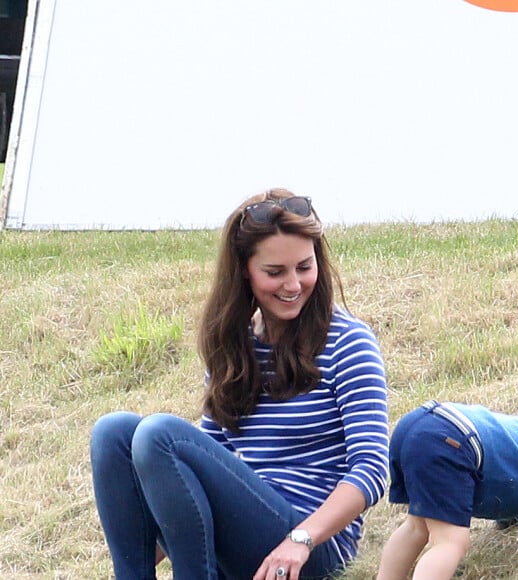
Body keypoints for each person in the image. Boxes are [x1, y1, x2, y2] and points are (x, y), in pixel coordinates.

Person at [90, 188, 390, 580]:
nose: (293, 284)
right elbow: (208, 459)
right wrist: (149, 534)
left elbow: (371, 471)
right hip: (243, 527)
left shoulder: (349, 342)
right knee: (114, 432)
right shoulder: (235, 344)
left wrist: (300, 540)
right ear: (244, 271)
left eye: (304, 266)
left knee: (159, 434)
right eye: (274, 272)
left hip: (313, 547)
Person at [376, 384, 518, 580]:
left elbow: (512, 474)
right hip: (451, 440)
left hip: (419, 423)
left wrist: (513, 517)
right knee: (450, 543)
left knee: (416, 527)